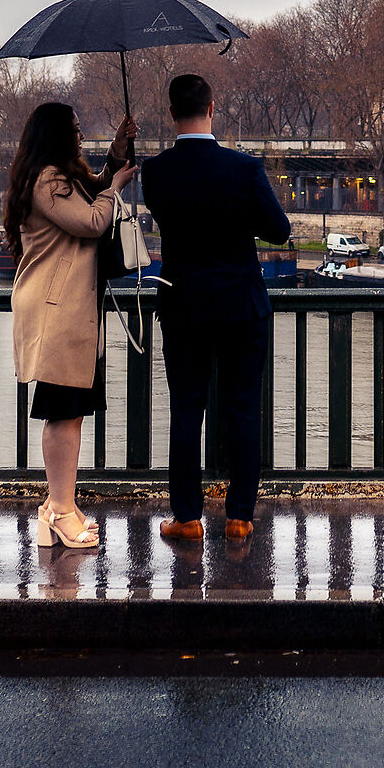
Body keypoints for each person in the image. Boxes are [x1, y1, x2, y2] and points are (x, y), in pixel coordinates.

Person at [140, 72, 293, 544]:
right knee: (243, 410)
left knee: (187, 411)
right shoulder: (243, 169)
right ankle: (239, 516)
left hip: (184, 304)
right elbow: (279, 230)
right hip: (240, 304)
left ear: (171, 114)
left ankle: (186, 516)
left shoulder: (155, 172)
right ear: (212, 108)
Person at [5, 100, 135, 552]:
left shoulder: (57, 176)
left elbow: (89, 192)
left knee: (71, 411)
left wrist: (116, 156)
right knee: (63, 411)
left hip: (70, 310)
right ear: (56, 134)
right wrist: (115, 187)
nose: (81, 134)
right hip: (56, 311)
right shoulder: (47, 180)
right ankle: (59, 510)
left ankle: (62, 505)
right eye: (76, 128)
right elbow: (92, 220)